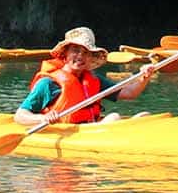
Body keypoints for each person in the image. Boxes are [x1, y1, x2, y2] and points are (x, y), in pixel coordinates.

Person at [15, 26, 155, 126]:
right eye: (75, 51)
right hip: (68, 131)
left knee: (145, 117)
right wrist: (42, 118)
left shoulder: (94, 80)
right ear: (65, 54)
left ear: (90, 57)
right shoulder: (48, 83)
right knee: (114, 117)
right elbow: (20, 115)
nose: (80, 56)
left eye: (86, 52)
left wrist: (145, 77)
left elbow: (130, 93)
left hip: (91, 126)